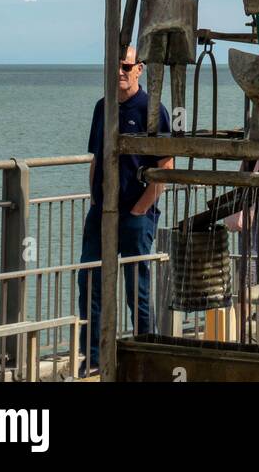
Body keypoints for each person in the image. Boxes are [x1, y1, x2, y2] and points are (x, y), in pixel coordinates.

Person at [77, 46, 174, 375]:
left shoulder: (152, 109)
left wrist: (139, 210)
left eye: (126, 65)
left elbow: (166, 165)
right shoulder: (102, 108)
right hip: (101, 212)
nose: (120, 71)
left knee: (138, 288)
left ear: (139, 70)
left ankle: (145, 353)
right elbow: (96, 157)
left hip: (135, 215)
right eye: (114, 65)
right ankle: (92, 359)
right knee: (90, 283)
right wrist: (94, 198)